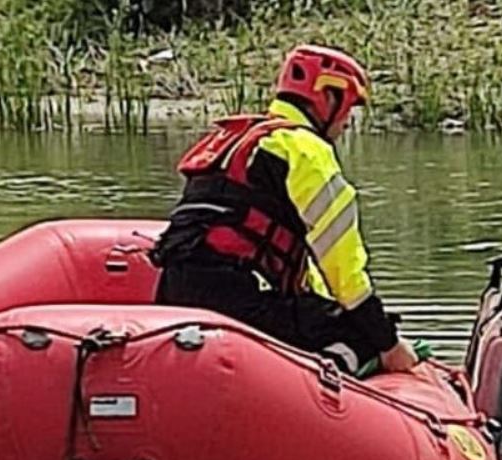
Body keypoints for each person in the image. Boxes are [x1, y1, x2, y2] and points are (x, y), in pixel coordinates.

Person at [151, 44, 418, 375]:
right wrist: (388, 343)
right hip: (237, 300)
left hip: (171, 292)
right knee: (360, 334)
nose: (348, 121)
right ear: (327, 97)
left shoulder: (236, 139)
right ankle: (324, 385)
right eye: (348, 108)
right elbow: (342, 266)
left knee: (328, 315)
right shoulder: (307, 151)